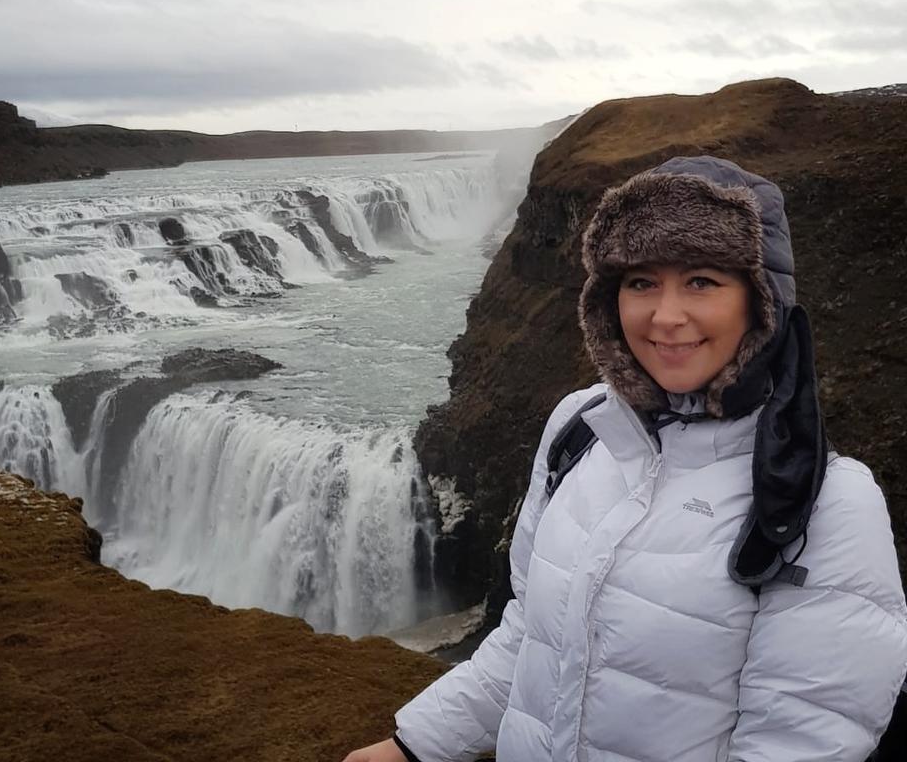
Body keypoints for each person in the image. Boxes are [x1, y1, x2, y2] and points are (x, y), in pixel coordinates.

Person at [343, 156, 907, 762]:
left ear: (761, 302)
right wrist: (413, 744)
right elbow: (532, 641)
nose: (665, 316)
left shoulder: (824, 502)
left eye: (701, 281)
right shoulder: (580, 431)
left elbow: (803, 744)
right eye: (640, 282)